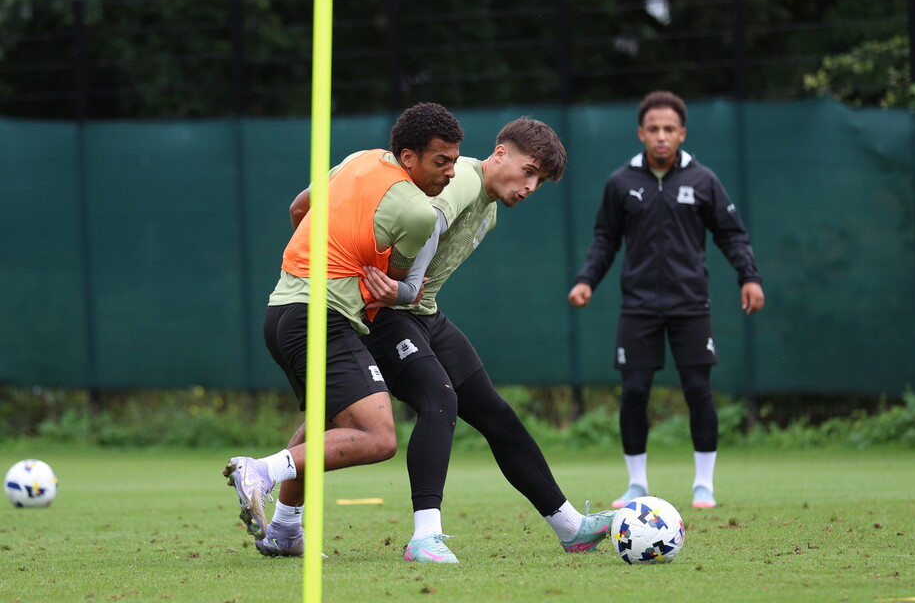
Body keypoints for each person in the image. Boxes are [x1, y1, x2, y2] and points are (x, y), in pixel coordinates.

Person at [358, 117, 615, 563]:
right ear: (500, 154)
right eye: (529, 171)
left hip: (424, 316)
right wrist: (404, 287)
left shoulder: (491, 208)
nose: (532, 185)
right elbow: (428, 221)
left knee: (496, 414)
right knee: (439, 402)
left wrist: (415, 295)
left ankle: (571, 527)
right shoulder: (463, 181)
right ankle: (424, 537)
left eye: (541, 180)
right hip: (387, 316)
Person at [222, 102, 464, 557]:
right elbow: (397, 289)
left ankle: (285, 530)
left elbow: (299, 209)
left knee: (329, 424)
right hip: (321, 318)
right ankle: (262, 472)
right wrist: (399, 290)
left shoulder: (359, 159)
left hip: (282, 309)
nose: (450, 172)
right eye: (441, 161)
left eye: (454, 160)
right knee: (379, 437)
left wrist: (327, 257)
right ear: (408, 157)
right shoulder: (418, 213)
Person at [567, 91, 764, 510]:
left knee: (698, 390)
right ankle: (637, 484)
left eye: (669, 129)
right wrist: (587, 281)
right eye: (653, 129)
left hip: (691, 304)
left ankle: (704, 485)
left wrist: (749, 277)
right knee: (634, 391)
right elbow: (605, 239)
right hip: (638, 306)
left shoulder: (703, 180)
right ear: (641, 133)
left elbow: (732, 234)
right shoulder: (621, 182)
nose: (661, 136)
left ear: (682, 133)